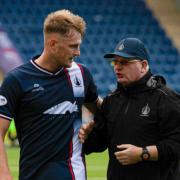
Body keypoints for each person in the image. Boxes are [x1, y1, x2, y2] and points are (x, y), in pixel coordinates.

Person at [0, 9, 102, 180]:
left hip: (74, 175)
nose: (78, 53)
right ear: (53, 44)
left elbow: (102, 110)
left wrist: (94, 126)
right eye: (73, 46)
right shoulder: (17, 80)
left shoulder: (81, 75)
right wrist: (4, 175)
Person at [79, 38, 180, 180]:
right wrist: (88, 136)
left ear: (143, 65)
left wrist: (142, 153)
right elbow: (99, 143)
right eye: (115, 62)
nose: (117, 67)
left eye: (124, 62)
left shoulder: (166, 99)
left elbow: (176, 145)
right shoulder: (111, 101)